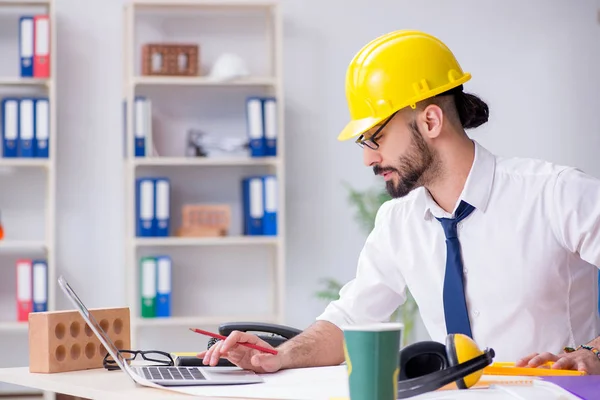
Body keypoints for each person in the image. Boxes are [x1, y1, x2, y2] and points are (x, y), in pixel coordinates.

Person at [198, 30, 600, 375]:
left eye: (376, 138)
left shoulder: (554, 193)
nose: (368, 158)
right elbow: (350, 321)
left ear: (430, 122)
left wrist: (594, 353)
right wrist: (277, 356)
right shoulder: (398, 221)